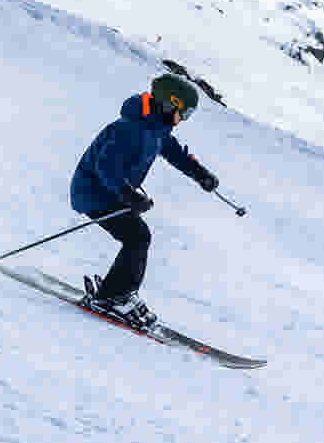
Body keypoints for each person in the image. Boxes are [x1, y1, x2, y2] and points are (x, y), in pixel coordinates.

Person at [68, 74, 220, 327]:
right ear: (169, 104)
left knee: (137, 236)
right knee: (137, 236)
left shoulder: (157, 129)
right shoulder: (130, 128)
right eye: (184, 113)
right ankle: (114, 297)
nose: (183, 120)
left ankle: (116, 292)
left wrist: (200, 174)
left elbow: (175, 154)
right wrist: (128, 194)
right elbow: (105, 166)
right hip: (94, 192)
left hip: (112, 192)